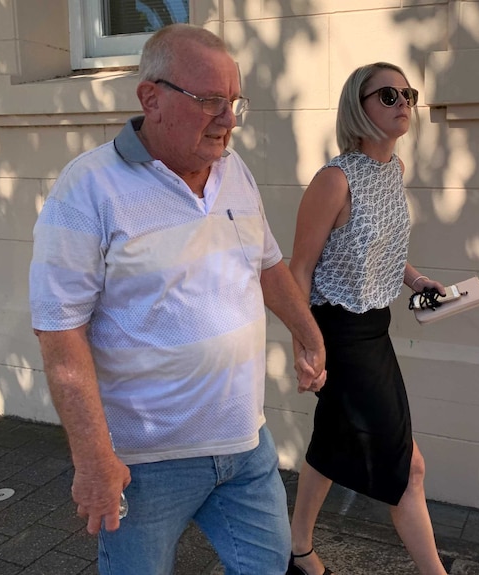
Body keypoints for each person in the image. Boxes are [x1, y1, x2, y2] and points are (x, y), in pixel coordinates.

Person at [29, 23, 326, 575]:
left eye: (234, 101)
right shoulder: (88, 188)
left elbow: (267, 266)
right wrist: (93, 459)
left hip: (245, 446)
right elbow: (59, 330)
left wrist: (308, 333)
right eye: (211, 100)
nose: (228, 119)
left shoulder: (234, 172)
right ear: (151, 98)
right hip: (146, 466)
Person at [287, 63, 449, 575]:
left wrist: (416, 280)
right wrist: (304, 346)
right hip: (339, 334)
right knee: (408, 467)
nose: (403, 102)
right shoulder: (334, 180)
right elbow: (300, 268)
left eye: (408, 93)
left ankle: (297, 552)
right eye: (388, 94)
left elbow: (378, 247)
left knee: (330, 444)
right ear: (358, 107)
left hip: (373, 331)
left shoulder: (393, 172)